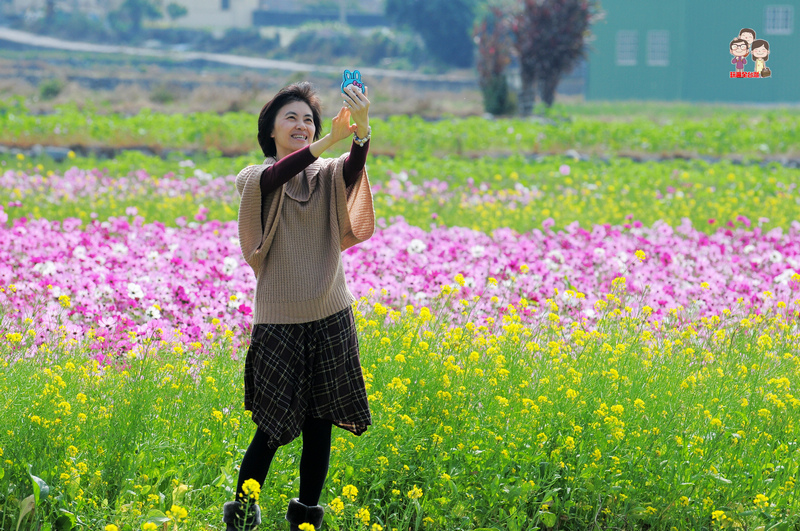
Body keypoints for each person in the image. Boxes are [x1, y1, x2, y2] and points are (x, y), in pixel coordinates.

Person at [224, 81, 375, 531]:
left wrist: (361, 133)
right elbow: (276, 178)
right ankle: (242, 518)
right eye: (291, 117)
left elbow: (351, 171)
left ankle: (306, 520)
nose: (302, 125)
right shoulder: (254, 178)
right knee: (270, 426)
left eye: (308, 119)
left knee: (320, 423)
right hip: (280, 320)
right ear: (270, 129)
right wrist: (331, 138)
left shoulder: (328, 174)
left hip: (330, 314)